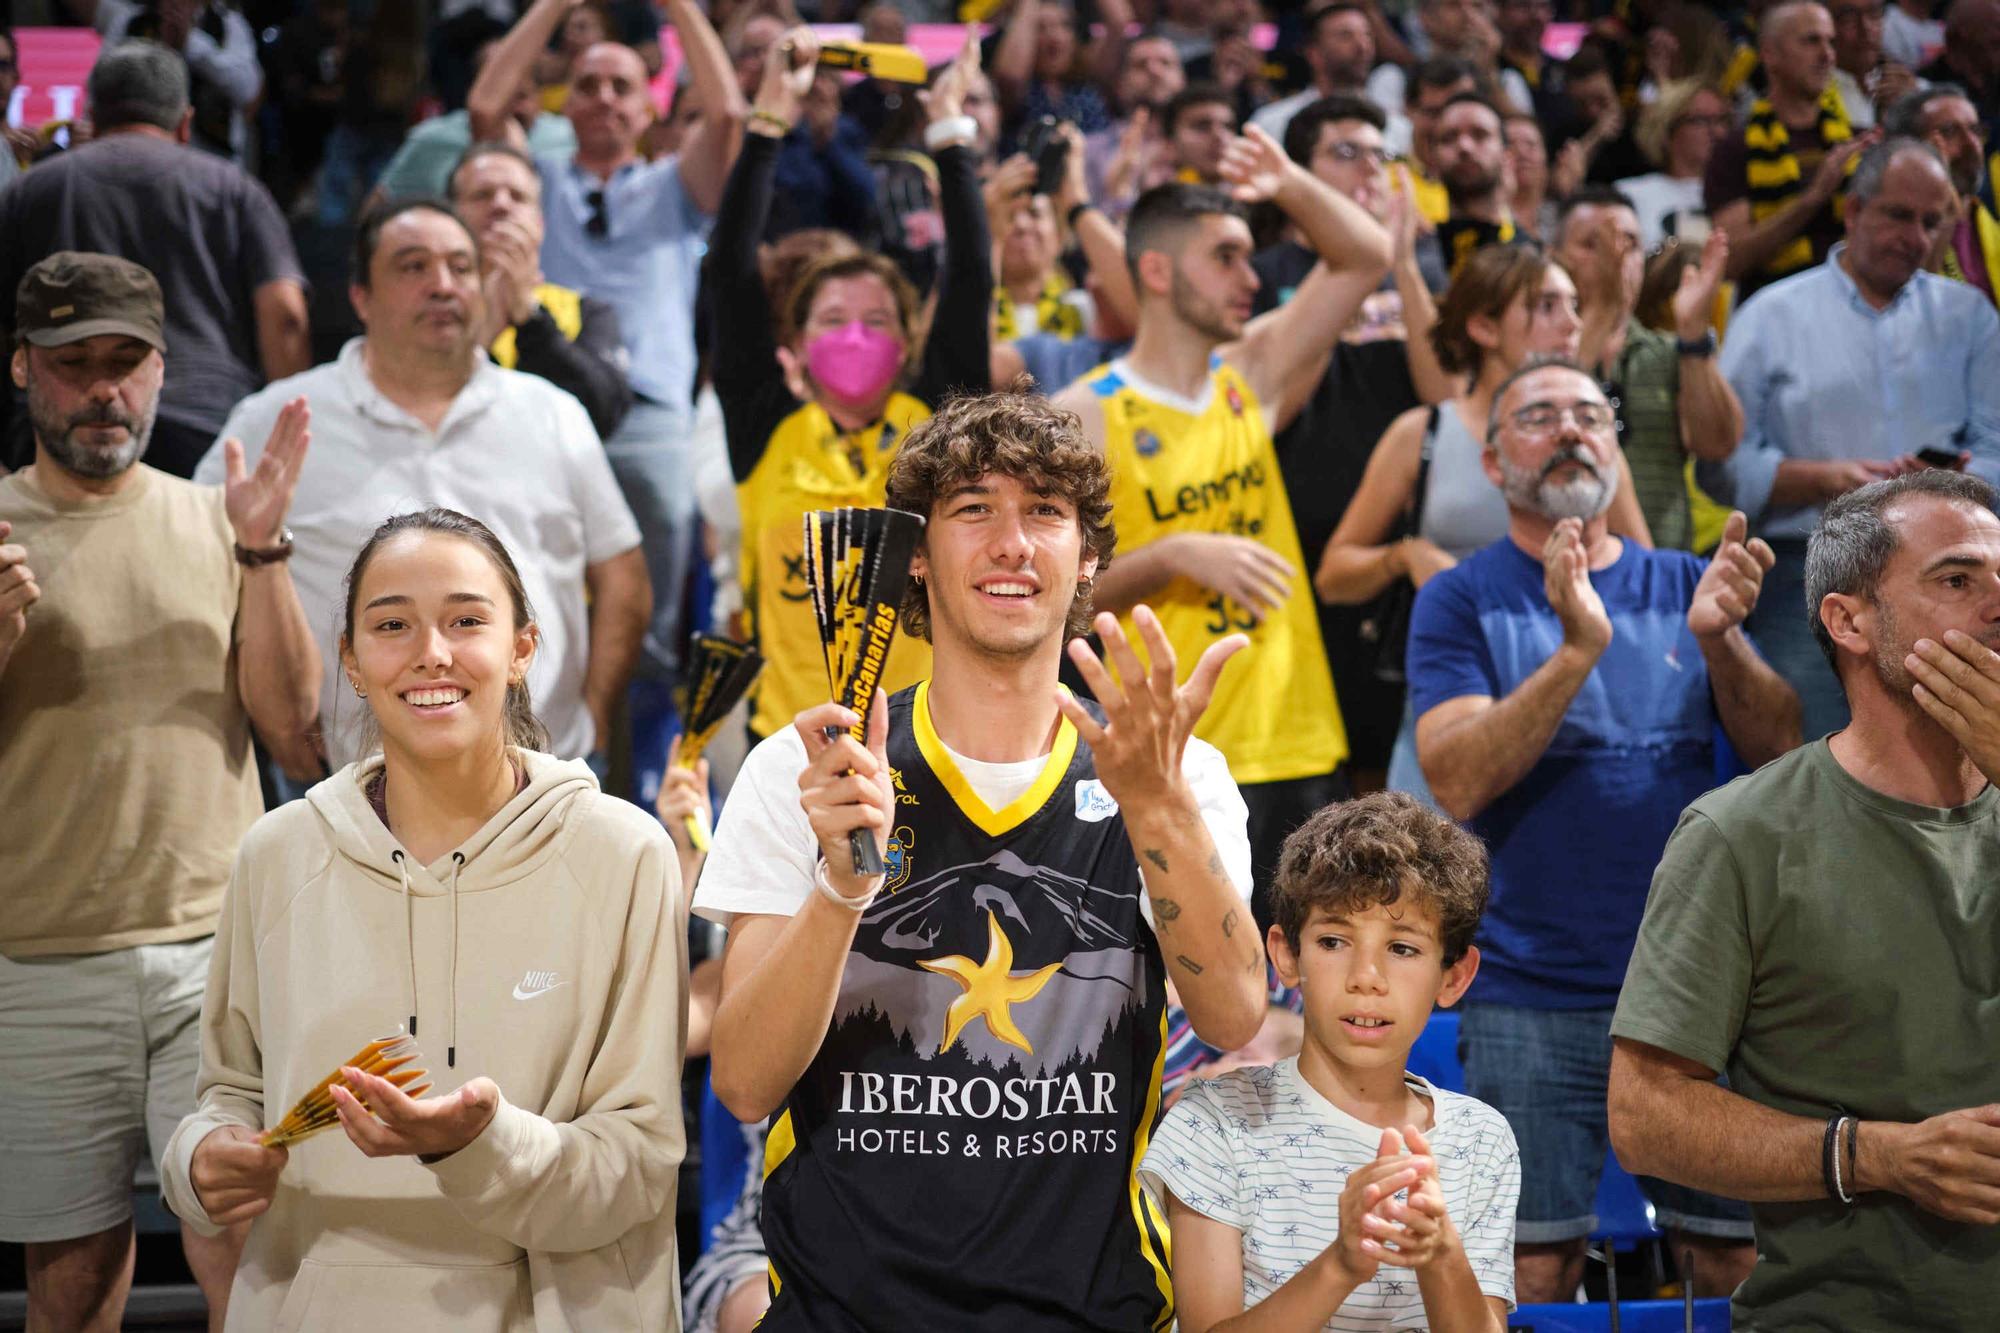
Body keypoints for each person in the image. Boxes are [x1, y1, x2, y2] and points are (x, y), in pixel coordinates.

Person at [696, 392, 1268, 1327]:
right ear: (917, 555)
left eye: (1045, 511)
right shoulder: (807, 767)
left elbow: (1235, 1009)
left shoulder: (1177, 773)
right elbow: (744, 1082)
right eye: (974, 509)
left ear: (1088, 557)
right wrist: (844, 887)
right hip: (844, 1311)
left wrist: (1158, 808)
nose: (1012, 542)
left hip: (1092, 1310)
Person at [158, 506, 689, 1330]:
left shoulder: (624, 855)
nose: (431, 652)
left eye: (466, 620)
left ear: (521, 649)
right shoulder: (276, 853)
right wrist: (198, 1158)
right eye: (392, 624)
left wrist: (478, 1145)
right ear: (353, 660)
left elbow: (639, 1163)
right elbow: (230, 1091)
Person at [1406, 357, 1799, 1304]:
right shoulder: (1461, 598)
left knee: (1729, 1265)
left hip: (1695, 991)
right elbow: (1456, 776)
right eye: (1539, 416)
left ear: (1617, 450)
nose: (1573, 429)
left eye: (1592, 414)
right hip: (1529, 988)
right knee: (1529, 1266)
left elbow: (1781, 747)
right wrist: (1581, 648)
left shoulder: (1688, 584)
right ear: (1495, 462)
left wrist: (1722, 641)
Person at [0, 251, 321, 1330]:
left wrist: (265, 550)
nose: (101, 389)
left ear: (158, 369)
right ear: (21, 369)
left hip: (215, 952)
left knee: (243, 1243)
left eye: (123, 363)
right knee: (74, 1275)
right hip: (37, 957)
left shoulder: (215, 519)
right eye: (73, 363)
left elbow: (296, 731)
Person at [1610, 468, 2000, 1331]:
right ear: (1848, 620)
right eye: (1959, 579)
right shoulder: (1741, 834)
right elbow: (1644, 1115)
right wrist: (1873, 1156)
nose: (1997, 603)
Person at [1052, 132, 1395, 921]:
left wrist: (1289, 181)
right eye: (1227, 258)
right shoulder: (1084, 413)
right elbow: (1056, 598)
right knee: (1188, 991)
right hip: (1178, 751)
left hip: (1298, 731)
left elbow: (1364, 257)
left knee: (1303, 970)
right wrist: (1172, 554)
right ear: (1159, 272)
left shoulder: (1251, 372)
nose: (1251, 279)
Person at [194, 199, 650, 776]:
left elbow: (622, 576)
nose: (442, 285)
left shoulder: (552, 412)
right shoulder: (280, 419)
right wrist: (276, 720)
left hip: (547, 778)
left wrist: (594, 717)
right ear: (361, 297)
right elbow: (196, 566)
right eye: (413, 267)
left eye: (462, 268)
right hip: (359, 792)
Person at [1142, 792, 1521, 1331]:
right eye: (1335, 940)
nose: (1366, 976)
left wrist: (1439, 1252)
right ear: (1286, 954)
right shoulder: (1217, 1120)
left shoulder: (1481, 1140)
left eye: (1403, 948)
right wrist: (1343, 1263)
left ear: (1454, 976)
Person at [711, 28, 988, 744]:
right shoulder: (764, 426)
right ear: (797, 348)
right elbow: (730, 275)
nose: (856, 335)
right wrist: (769, 121)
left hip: (927, 744)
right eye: (833, 320)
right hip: (788, 745)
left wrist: (951, 132)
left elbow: (970, 283)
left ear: (906, 345)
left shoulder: (937, 425)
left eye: (876, 319)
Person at [469, 0, 743, 716]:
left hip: (651, 412)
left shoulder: (675, 187)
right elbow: (486, 106)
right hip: (542, 398)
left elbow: (729, 119)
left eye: (623, 86)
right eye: (587, 84)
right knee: (521, 590)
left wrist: (680, 10)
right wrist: (552, 8)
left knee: (653, 614)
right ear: (565, 100)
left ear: (649, 105)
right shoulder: (539, 182)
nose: (604, 99)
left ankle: (648, 786)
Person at [1318, 247, 1655, 801]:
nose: (1571, 324)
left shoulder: (1587, 444)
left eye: (1573, 305)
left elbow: (1643, 569)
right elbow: (1333, 574)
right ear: (1482, 326)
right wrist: (1405, 555)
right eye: (1546, 306)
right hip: (1450, 696)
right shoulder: (1421, 434)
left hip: (1578, 701)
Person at [1703, 137, 2000, 742]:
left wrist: (1933, 493)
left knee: (1962, 760)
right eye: (1897, 214)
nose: (1914, 236)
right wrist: (1830, 480)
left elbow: (1996, 447)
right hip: (1807, 571)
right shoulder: (1771, 314)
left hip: (1954, 574)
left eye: (1930, 220)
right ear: (1853, 212)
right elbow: (1722, 466)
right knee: (1799, 755)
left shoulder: (1971, 317)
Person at [1256, 93, 1454, 783]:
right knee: (1317, 758)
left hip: (1396, 536)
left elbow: (1443, 393)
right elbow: (1271, 405)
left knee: (1387, 749)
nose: (1369, 169)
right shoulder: (1268, 271)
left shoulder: (1422, 267)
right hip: (1294, 536)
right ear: (1299, 177)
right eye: (1346, 153)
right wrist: (1344, 284)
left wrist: (1396, 262)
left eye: (1379, 152)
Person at [0, 40, 309, 478]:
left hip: (58, 431)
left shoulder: (30, 192)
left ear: (93, 115)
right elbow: (285, 316)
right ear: (185, 123)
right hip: (208, 429)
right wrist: (283, 445)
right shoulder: (234, 190)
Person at [1554, 186, 1742, 551]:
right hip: (1561, 563)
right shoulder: (1535, 351)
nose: (1616, 256)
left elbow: (1716, 444)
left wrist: (1692, 336)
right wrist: (1604, 306)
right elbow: (1552, 403)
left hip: (1661, 572)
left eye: (1629, 242)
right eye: (1593, 243)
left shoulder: (1674, 351)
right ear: (1555, 257)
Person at [447, 141, 632, 441]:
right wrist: (485, 330)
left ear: (540, 222)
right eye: (482, 195)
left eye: (517, 196)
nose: (501, 205)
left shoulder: (587, 311)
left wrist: (530, 318)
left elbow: (602, 414)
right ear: (451, 219)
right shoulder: (427, 304)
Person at [1707, 1, 1878, 299]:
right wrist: (1813, 198)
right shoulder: (1735, 149)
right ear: (1770, 54)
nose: (1827, 55)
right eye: (1811, 41)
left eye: (1831, 42)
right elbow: (1730, 262)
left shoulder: (1857, 141)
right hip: (1774, 314)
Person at [372, 39, 578, 202]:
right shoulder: (431, 140)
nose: (507, 111)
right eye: (498, 97)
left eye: (520, 96)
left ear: (538, 94)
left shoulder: (570, 138)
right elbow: (378, 207)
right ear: (475, 93)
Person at [78, 0, 262, 163]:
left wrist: (190, 43)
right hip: (139, 158)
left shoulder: (228, 24)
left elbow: (247, 89)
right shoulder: (132, 22)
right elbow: (100, 84)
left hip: (212, 158)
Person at [1884, 84, 2000, 304]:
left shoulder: (1989, 223)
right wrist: (1940, 197)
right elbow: (1906, 306)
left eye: (1975, 130)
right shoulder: (1887, 229)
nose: (1971, 144)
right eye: (1949, 132)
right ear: (1908, 148)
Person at [1250, 2, 1412, 155]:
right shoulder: (1272, 123)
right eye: (1345, 36)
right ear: (1314, 53)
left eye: (1368, 35)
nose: (1363, 45)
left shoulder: (1398, 129)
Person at [1616, 79, 1733, 249]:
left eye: (1722, 120)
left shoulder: (1740, 190)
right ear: (1666, 131)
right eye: (1700, 120)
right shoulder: (1629, 194)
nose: (1717, 131)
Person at [1431, 93, 1526, 278]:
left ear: (1507, 157)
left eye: (1480, 135)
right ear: (1432, 160)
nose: (1464, 146)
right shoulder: (1413, 249)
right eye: (1449, 138)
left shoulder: (1529, 257)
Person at [1160, 83, 1239, 188]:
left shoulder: (1260, 197)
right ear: (1169, 145)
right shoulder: (1151, 201)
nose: (1220, 136)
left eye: (1228, 127)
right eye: (1202, 126)